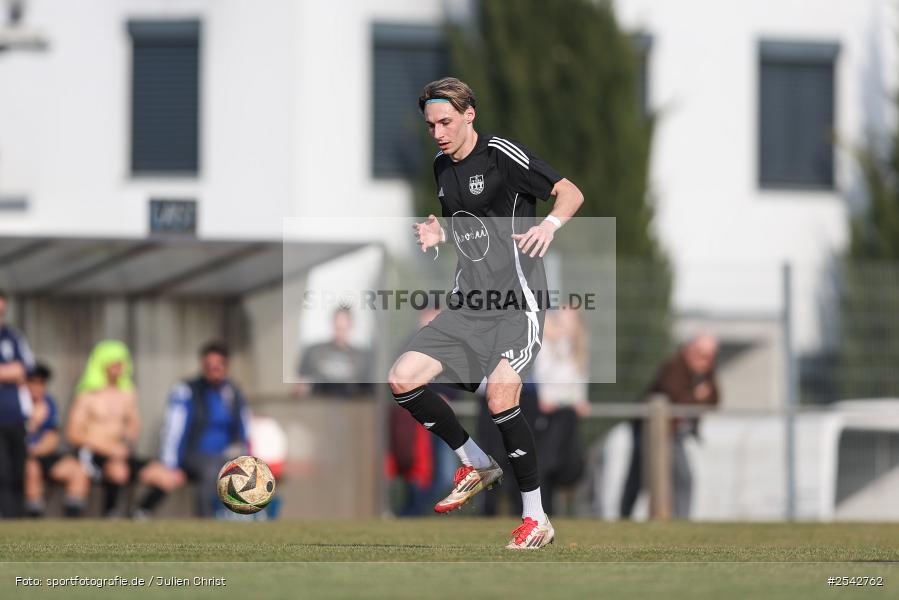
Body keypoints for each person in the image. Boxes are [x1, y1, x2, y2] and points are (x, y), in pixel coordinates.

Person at [387, 77, 584, 549]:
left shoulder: (501, 155)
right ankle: (476, 461)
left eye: (446, 122)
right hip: (467, 306)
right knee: (402, 378)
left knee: (500, 395)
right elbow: (473, 229)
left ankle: (536, 518)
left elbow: (571, 193)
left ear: (468, 115)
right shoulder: (441, 167)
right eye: (431, 125)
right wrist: (440, 234)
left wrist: (550, 226)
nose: (438, 133)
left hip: (517, 305)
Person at [134, 341, 250, 518]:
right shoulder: (187, 390)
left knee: (248, 470)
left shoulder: (233, 392)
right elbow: (174, 429)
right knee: (211, 469)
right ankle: (206, 520)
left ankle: (244, 517)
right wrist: (170, 464)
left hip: (226, 454)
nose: (213, 370)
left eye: (217, 366)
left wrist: (247, 455)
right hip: (194, 455)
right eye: (208, 366)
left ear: (226, 366)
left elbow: (243, 428)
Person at [620, 334, 720, 519]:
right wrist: (696, 396)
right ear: (690, 351)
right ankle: (625, 516)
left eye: (710, 356)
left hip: (674, 434)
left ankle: (679, 518)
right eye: (702, 355)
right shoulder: (674, 367)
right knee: (640, 476)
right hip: (651, 430)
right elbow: (671, 400)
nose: (705, 361)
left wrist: (700, 395)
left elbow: (714, 398)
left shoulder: (704, 372)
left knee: (681, 477)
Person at [65, 339, 144, 516]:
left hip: (118, 454)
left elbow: (134, 425)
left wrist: (125, 442)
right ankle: (72, 521)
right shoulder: (87, 395)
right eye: (114, 362)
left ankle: (124, 514)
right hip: (90, 452)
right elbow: (73, 433)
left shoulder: (128, 393)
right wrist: (107, 448)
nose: (119, 366)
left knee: (160, 474)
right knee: (79, 475)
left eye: (121, 361)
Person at [533, 307, 589, 515]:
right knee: (546, 463)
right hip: (549, 412)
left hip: (568, 413)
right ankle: (544, 510)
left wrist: (580, 400)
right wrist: (546, 398)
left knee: (569, 464)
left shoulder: (577, 349)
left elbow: (579, 379)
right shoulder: (547, 346)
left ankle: (559, 508)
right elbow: (542, 375)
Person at [23, 363, 91, 517]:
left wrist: (36, 450)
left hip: (43, 455)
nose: (37, 387)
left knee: (78, 470)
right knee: (31, 468)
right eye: (33, 382)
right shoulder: (15, 405)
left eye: (42, 383)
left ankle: (72, 521)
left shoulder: (49, 403)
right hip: (21, 458)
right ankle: (33, 519)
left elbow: (52, 439)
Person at [0, 290, 35, 518]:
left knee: (17, 469)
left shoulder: (13, 337)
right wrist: (9, 371)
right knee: (1, 470)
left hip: (14, 417)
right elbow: (14, 370)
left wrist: (14, 371)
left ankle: (15, 516)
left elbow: (25, 368)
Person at [295, 306, 373, 398]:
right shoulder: (314, 351)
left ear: (350, 325)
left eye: (343, 327)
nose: (340, 331)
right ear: (332, 323)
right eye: (337, 327)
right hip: (319, 401)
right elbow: (300, 384)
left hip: (348, 403)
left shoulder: (361, 357)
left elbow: (366, 393)